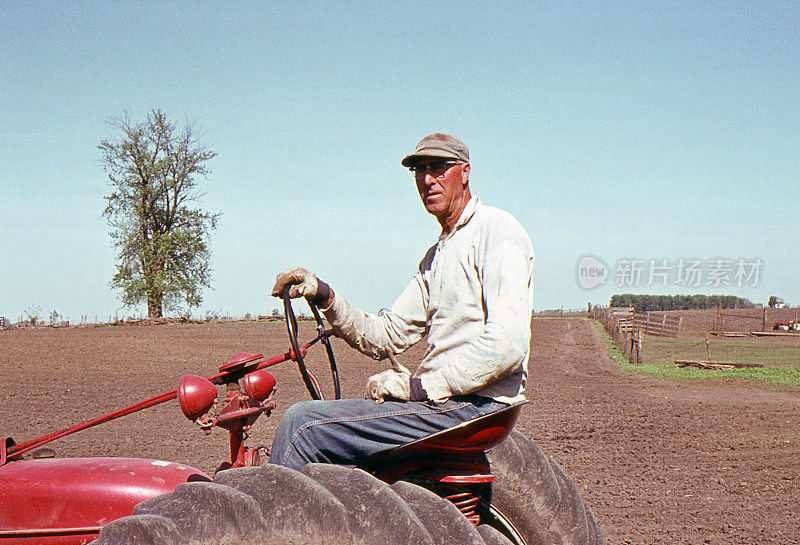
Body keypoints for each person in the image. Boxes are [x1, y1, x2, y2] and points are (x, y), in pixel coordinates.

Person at [268, 133, 535, 470]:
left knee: (301, 425)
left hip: (472, 405)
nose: (427, 180)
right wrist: (324, 294)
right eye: (419, 170)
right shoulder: (438, 255)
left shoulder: (496, 230)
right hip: (449, 403)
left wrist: (418, 388)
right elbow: (388, 334)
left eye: (439, 168)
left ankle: (278, 524)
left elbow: (507, 345)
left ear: (464, 172)